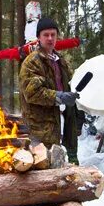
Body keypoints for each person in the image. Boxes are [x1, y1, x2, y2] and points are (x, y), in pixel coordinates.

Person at [18, 17, 80, 163]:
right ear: (38, 37)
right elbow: (32, 94)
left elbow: (69, 84)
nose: (50, 38)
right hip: (39, 128)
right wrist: (59, 96)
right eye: (46, 35)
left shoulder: (60, 60)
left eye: (53, 34)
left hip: (59, 123)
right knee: (41, 167)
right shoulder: (32, 62)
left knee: (58, 168)